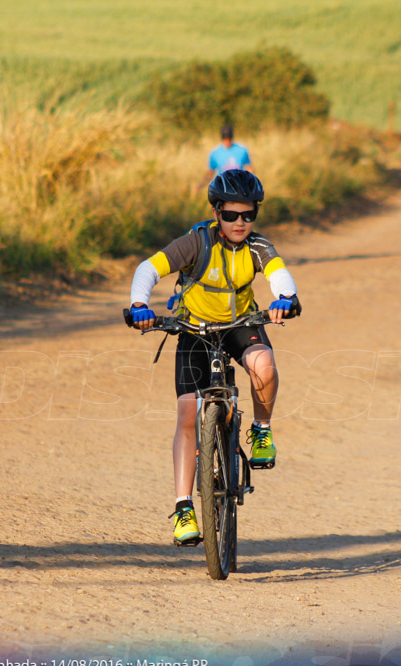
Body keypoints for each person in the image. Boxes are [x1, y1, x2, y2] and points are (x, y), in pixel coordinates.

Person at [128, 169, 300, 545]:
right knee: (188, 412)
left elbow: (278, 273)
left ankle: (261, 431)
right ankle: (184, 507)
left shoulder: (257, 247)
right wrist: (139, 305)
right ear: (216, 211)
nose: (240, 223)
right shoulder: (196, 243)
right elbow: (148, 268)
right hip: (193, 329)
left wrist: (285, 299)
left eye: (248, 215)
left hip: (240, 323)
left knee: (264, 365)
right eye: (232, 214)